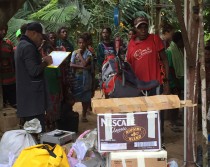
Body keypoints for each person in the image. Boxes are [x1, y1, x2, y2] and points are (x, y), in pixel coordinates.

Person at [126, 16, 170, 146]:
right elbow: (128, 66)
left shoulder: (155, 39)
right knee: (140, 113)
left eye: (145, 26)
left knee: (156, 111)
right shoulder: (131, 44)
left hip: (155, 83)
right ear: (135, 28)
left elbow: (165, 59)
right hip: (138, 86)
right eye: (140, 27)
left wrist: (166, 81)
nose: (143, 29)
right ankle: (143, 137)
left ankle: (158, 138)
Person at [15, 22, 53, 132]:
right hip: (33, 101)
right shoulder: (28, 47)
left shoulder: (21, 45)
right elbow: (34, 71)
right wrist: (45, 62)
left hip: (28, 99)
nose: (41, 40)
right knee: (37, 130)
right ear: (33, 33)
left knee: (31, 130)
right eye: (41, 37)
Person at [41, 32, 63, 131]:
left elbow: (59, 78)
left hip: (55, 90)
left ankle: (54, 126)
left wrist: (61, 92)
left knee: (55, 109)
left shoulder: (55, 63)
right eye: (47, 51)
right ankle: (48, 126)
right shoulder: (41, 64)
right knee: (48, 110)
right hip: (46, 91)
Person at [70, 35, 93, 122]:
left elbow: (84, 63)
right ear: (77, 43)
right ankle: (72, 113)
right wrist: (83, 67)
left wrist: (79, 54)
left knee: (86, 97)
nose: (81, 44)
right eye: (79, 43)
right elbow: (71, 64)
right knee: (74, 96)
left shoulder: (88, 53)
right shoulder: (73, 53)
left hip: (86, 78)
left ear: (86, 43)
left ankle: (83, 115)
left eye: (83, 42)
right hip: (76, 77)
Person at [166, 32, 184, 132]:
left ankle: (175, 120)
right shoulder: (170, 51)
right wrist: (175, 82)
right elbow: (170, 68)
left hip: (177, 81)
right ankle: (172, 123)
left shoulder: (178, 50)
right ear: (179, 41)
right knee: (173, 103)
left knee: (176, 102)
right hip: (173, 81)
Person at [0, 24, 16, 108]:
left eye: (5, 29)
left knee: (13, 106)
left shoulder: (8, 44)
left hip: (11, 81)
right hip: (2, 83)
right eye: (1, 29)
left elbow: (13, 62)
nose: (4, 32)